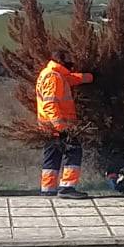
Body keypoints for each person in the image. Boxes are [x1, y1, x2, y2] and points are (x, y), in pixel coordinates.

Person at [36, 51, 93, 198]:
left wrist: (90, 77)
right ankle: (67, 188)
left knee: (52, 156)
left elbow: (71, 79)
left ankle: (48, 189)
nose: (72, 64)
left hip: (49, 126)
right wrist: (61, 128)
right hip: (59, 126)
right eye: (69, 61)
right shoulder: (54, 77)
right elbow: (50, 105)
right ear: (62, 62)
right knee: (74, 151)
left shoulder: (52, 73)